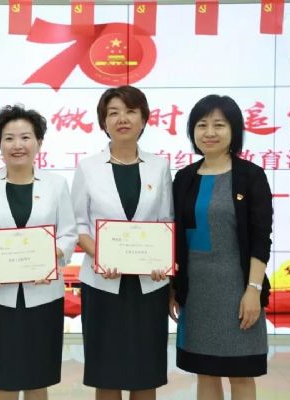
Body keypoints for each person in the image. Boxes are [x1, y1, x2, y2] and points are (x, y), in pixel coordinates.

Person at [0, 105, 77, 400]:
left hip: (44, 294)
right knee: (4, 377)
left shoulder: (56, 185)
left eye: (26, 137)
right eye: (9, 138)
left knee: (39, 376)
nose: (17, 145)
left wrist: (51, 257)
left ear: (39, 142)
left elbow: (68, 234)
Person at [71, 85, 173, 400]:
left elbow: (166, 222)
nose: (122, 119)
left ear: (144, 119)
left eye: (130, 111)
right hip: (102, 283)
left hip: (149, 284)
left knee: (146, 373)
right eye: (113, 113)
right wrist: (101, 255)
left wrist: (164, 263)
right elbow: (79, 225)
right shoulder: (88, 167)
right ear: (104, 122)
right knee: (107, 372)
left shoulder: (159, 166)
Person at [169, 94, 273, 400]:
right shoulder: (184, 178)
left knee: (241, 374)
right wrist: (173, 287)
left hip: (239, 289)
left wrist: (253, 289)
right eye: (202, 125)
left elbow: (261, 238)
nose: (209, 132)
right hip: (197, 291)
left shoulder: (250, 176)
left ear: (234, 130)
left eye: (219, 125)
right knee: (205, 372)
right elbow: (175, 236)